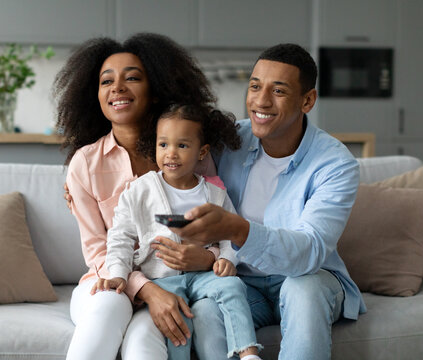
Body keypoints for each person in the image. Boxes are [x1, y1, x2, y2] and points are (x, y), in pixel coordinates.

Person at [167, 43, 366, 360]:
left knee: (304, 290)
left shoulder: (335, 164)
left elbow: (311, 250)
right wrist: (84, 177)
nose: (260, 101)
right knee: (207, 308)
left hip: (308, 278)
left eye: (279, 91)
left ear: (307, 100)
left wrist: (239, 229)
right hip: (244, 281)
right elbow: (171, 151)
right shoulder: (231, 139)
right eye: (255, 86)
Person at [54, 33, 225, 360]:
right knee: (109, 306)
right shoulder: (85, 164)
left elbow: (212, 228)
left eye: (132, 78)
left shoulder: (192, 155)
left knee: (144, 344)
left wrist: (203, 261)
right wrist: (147, 290)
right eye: (107, 81)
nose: (117, 87)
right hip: (107, 283)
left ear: (156, 90)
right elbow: (97, 252)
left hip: (176, 284)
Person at [94, 103, 262, 360]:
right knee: (178, 324)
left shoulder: (215, 194)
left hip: (204, 274)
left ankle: (248, 353)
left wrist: (226, 259)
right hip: (162, 280)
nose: (171, 153)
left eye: (182, 146)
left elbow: (230, 234)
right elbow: (121, 238)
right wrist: (118, 274)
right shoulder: (139, 191)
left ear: (202, 152)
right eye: (163, 145)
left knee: (232, 286)